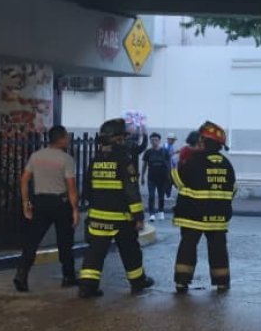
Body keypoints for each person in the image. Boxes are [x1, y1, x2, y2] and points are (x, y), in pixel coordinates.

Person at [77, 118, 156, 298]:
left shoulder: (96, 159)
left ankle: (87, 287)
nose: (125, 141)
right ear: (118, 138)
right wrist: (138, 216)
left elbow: (87, 189)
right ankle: (138, 282)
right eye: (123, 137)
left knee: (94, 253)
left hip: (97, 217)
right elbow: (131, 190)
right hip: (121, 219)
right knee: (130, 251)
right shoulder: (124, 158)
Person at [171, 121, 236, 294]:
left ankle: (182, 282)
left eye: (200, 139)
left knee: (187, 247)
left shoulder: (193, 160)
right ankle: (222, 282)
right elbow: (233, 189)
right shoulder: (227, 164)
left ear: (204, 141)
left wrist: (176, 164)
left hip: (193, 216)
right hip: (218, 218)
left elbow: (178, 181)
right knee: (218, 249)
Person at [14, 125, 80, 292]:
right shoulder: (66, 159)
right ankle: (68, 276)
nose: (68, 139)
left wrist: (26, 204)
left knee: (32, 241)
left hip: (40, 203)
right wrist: (75, 209)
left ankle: (21, 274)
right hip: (60, 203)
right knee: (65, 242)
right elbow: (71, 187)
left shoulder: (36, 156)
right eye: (66, 136)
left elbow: (24, 180)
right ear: (61, 139)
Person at [141, 132, 172, 222]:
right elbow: (144, 165)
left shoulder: (165, 152)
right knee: (151, 196)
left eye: (156, 140)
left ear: (159, 141)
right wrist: (142, 176)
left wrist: (169, 177)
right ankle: (152, 214)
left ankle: (161, 211)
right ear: (150, 141)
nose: (154, 141)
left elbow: (169, 165)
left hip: (162, 177)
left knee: (161, 195)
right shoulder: (148, 152)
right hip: (151, 178)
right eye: (152, 140)